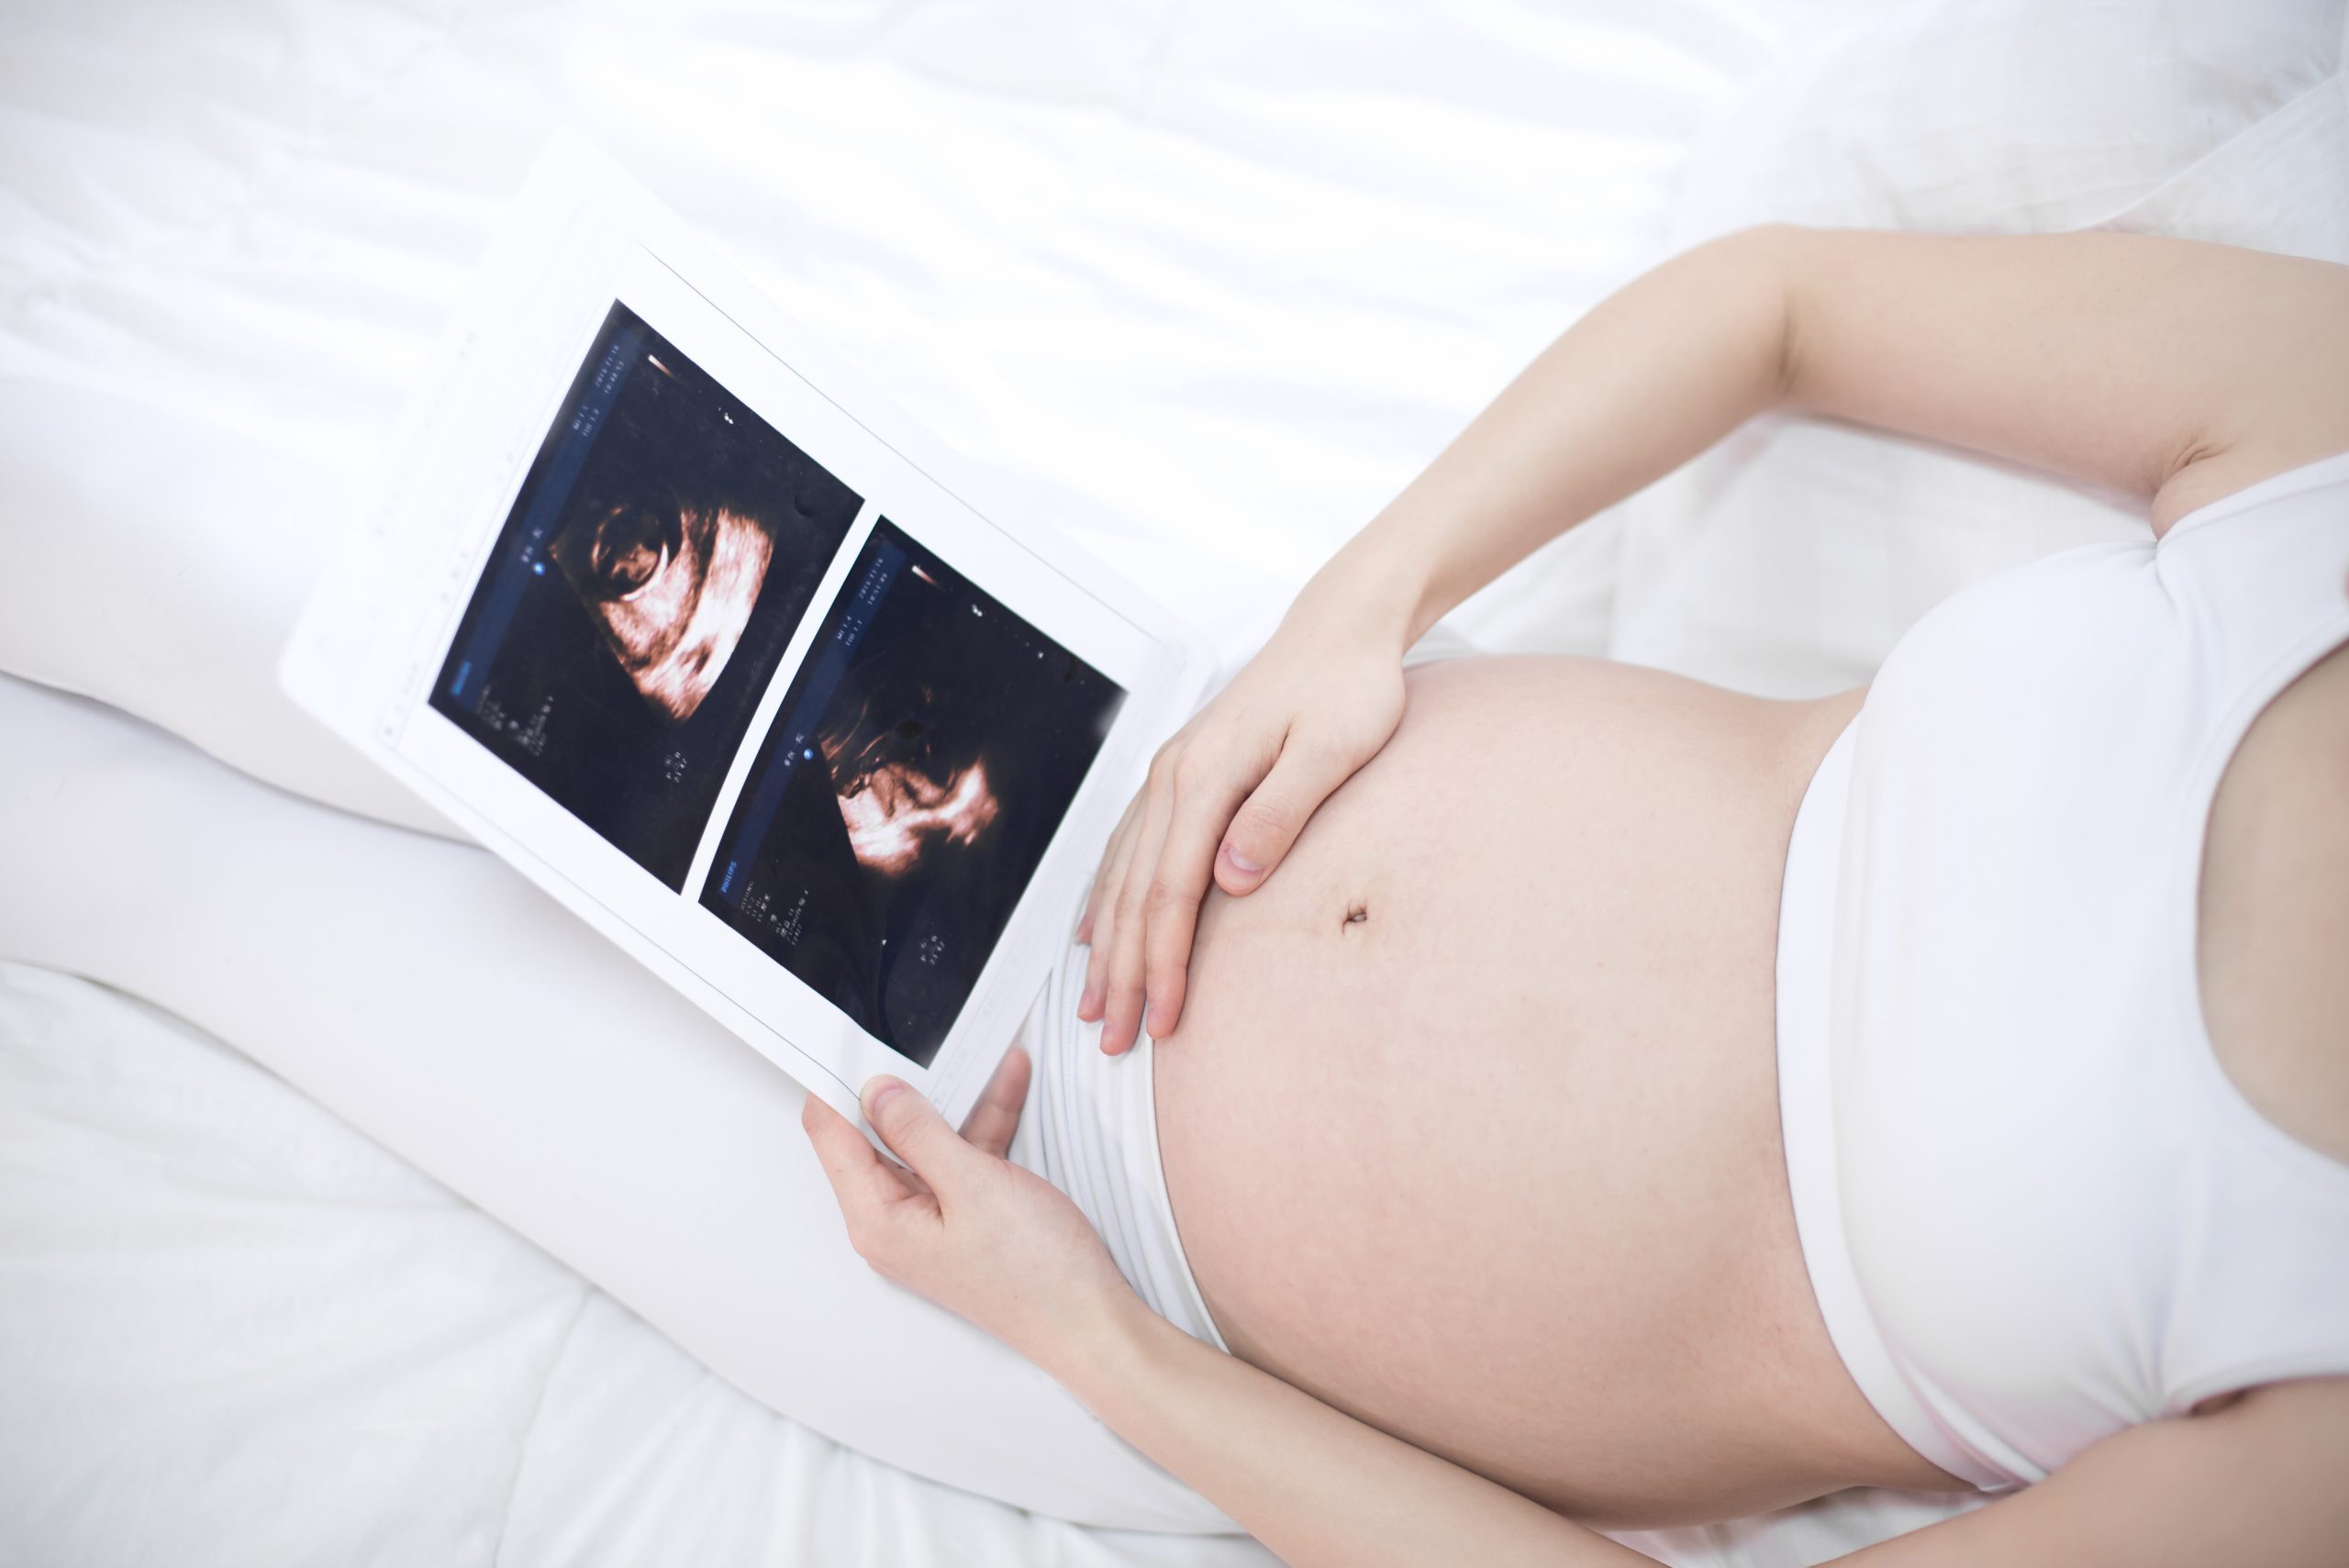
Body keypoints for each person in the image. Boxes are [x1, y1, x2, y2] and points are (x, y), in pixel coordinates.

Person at [803, 225, 2349, 1565]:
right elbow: (1785, 304)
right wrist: (1359, 608)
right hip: (1196, 718)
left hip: (1087, 1282)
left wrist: (1099, 1343)